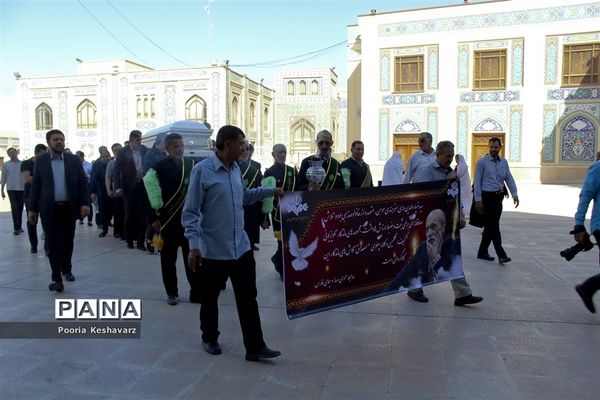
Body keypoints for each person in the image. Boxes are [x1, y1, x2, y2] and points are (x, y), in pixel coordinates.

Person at [182, 125, 282, 361]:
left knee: (248, 297)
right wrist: (194, 245)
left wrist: (270, 191)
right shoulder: (203, 172)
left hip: (241, 247)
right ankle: (209, 337)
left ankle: (255, 346)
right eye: (241, 143)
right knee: (210, 298)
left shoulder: (236, 168)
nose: (244, 147)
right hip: (214, 249)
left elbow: (244, 196)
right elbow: (191, 212)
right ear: (227, 145)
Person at [401, 141, 483, 306]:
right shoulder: (427, 172)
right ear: (438, 155)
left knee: (453, 255)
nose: (450, 159)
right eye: (447, 156)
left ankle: (462, 294)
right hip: (430, 222)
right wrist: (446, 181)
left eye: (452, 156)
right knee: (426, 255)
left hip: (448, 222)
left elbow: (454, 196)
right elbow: (424, 195)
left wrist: (459, 214)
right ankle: (414, 288)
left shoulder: (450, 171)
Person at [28, 130, 90, 292]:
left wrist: (85, 202)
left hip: (69, 209)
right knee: (53, 244)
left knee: (68, 241)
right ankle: (56, 278)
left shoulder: (73, 160)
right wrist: (32, 209)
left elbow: (83, 182)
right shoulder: (41, 162)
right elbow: (36, 186)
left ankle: (66, 269)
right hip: (49, 209)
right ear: (48, 142)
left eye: (61, 139)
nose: (59, 142)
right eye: (55, 139)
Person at [144, 133, 200, 305]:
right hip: (167, 221)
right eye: (175, 146)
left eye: (181, 145)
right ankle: (172, 293)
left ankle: (196, 291)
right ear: (167, 148)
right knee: (168, 261)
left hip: (189, 221)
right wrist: (154, 217)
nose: (179, 148)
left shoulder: (192, 165)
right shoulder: (158, 168)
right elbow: (150, 193)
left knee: (192, 258)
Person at [473, 137, 519, 264]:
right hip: (487, 198)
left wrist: (514, 193)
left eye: (496, 147)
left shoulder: (503, 162)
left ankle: (482, 252)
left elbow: (508, 178)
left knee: (490, 226)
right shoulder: (482, 163)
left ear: (500, 147)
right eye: (491, 147)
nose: (493, 149)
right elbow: (477, 182)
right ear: (489, 147)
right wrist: (478, 200)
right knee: (494, 226)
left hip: (498, 197)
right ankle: (501, 254)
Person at [263, 144, 297, 281]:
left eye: (284, 151)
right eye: (279, 152)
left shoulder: (292, 171)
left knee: (292, 241)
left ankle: (276, 259)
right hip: (277, 213)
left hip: (293, 211)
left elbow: (299, 187)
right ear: (273, 154)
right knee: (281, 242)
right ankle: (283, 270)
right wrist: (264, 217)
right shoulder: (269, 172)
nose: (283, 154)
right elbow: (266, 197)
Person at [114, 130, 149, 251]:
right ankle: (129, 240)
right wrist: (117, 187)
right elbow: (116, 170)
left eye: (140, 140)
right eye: (137, 140)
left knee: (142, 215)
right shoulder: (123, 152)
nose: (139, 142)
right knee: (129, 215)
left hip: (142, 186)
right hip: (129, 188)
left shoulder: (144, 150)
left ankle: (140, 242)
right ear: (131, 141)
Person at [573, 160, 600, 313]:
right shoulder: (598, 168)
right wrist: (579, 225)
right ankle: (588, 287)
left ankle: (588, 287)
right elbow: (586, 196)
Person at [20, 144, 47, 253]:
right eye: (42, 154)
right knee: (32, 220)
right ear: (37, 153)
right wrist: (43, 177)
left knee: (47, 221)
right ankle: (34, 245)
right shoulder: (27, 163)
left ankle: (48, 246)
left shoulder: (47, 163)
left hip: (45, 196)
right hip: (30, 196)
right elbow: (26, 179)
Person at [238, 140, 264, 252]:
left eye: (247, 149)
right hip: (235, 212)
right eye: (242, 150)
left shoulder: (255, 170)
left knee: (249, 247)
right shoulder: (230, 167)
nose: (244, 152)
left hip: (251, 213)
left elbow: (260, 193)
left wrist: (263, 217)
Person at [1, 147, 25, 235]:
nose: (12, 154)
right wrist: (2, 190)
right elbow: (3, 177)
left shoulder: (23, 164)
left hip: (22, 189)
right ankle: (16, 228)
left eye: (13, 152)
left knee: (20, 208)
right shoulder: (6, 165)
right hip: (11, 189)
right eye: (10, 153)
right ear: (8, 155)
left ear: (16, 153)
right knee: (14, 208)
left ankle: (19, 226)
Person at [90, 148, 113, 237]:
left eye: (107, 156)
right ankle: (104, 229)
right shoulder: (98, 167)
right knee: (104, 212)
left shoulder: (114, 164)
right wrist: (93, 192)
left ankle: (118, 231)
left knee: (115, 211)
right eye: (103, 157)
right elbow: (93, 180)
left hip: (114, 192)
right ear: (101, 158)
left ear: (110, 156)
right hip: (102, 193)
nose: (106, 158)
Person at [105, 143, 125, 240]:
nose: (118, 151)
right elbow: (108, 177)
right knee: (118, 213)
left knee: (127, 212)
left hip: (127, 192)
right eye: (116, 150)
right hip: (116, 192)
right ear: (113, 152)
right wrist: (108, 189)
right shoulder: (111, 163)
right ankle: (118, 232)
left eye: (120, 149)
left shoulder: (127, 161)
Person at [76, 150, 94, 226]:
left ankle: (90, 219)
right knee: (79, 202)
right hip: (77, 186)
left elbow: (92, 175)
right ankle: (81, 218)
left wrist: (88, 177)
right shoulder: (74, 165)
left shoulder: (89, 165)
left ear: (82, 157)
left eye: (78, 157)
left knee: (88, 202)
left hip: (88, 185)